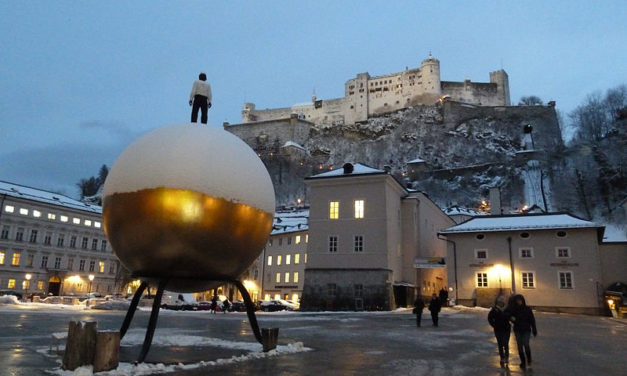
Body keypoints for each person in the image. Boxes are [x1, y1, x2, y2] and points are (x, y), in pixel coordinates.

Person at [506, 294, 537, 370]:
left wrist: (534, 329)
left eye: (520, 300)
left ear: (523, 300)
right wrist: (514, 320)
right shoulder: (514, 309)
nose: (519, 302)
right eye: (517, 300)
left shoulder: (527, 309)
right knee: (519, 346)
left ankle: (529, 360)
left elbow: (532, 319)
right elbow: (509, 316)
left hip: (526, 329)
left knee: (526, 344)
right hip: (518, 330)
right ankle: (523, 362)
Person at [488, 295, 511, 368]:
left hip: (506, 329)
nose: (500, 303)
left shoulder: (507, 309)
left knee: (505, 343)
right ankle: (502, 358)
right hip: (498, 330)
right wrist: (494, 325)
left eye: (502, 302)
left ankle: (506, 357)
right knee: (500, 344)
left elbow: (511, 317)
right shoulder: (494, 310)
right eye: (499, 302)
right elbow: (490, 318)